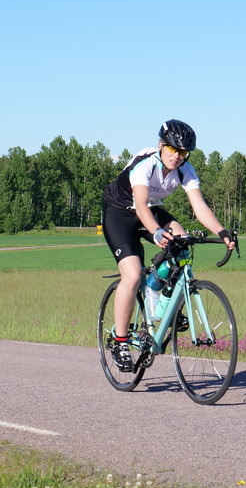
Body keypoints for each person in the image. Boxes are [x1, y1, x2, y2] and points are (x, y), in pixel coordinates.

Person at [101, 119, 235, 371]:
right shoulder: (146, 163)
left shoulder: (186, 170)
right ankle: (119, 341)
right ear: (161, 145)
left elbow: (199, 206)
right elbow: (140, 204)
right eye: (173, 149)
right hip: (120, 212)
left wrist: (221, 230)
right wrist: (155, 231)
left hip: (151, 210)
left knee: (182, 241)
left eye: (183, 152)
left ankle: (165, 300)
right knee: (132, 274)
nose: (177, 156)